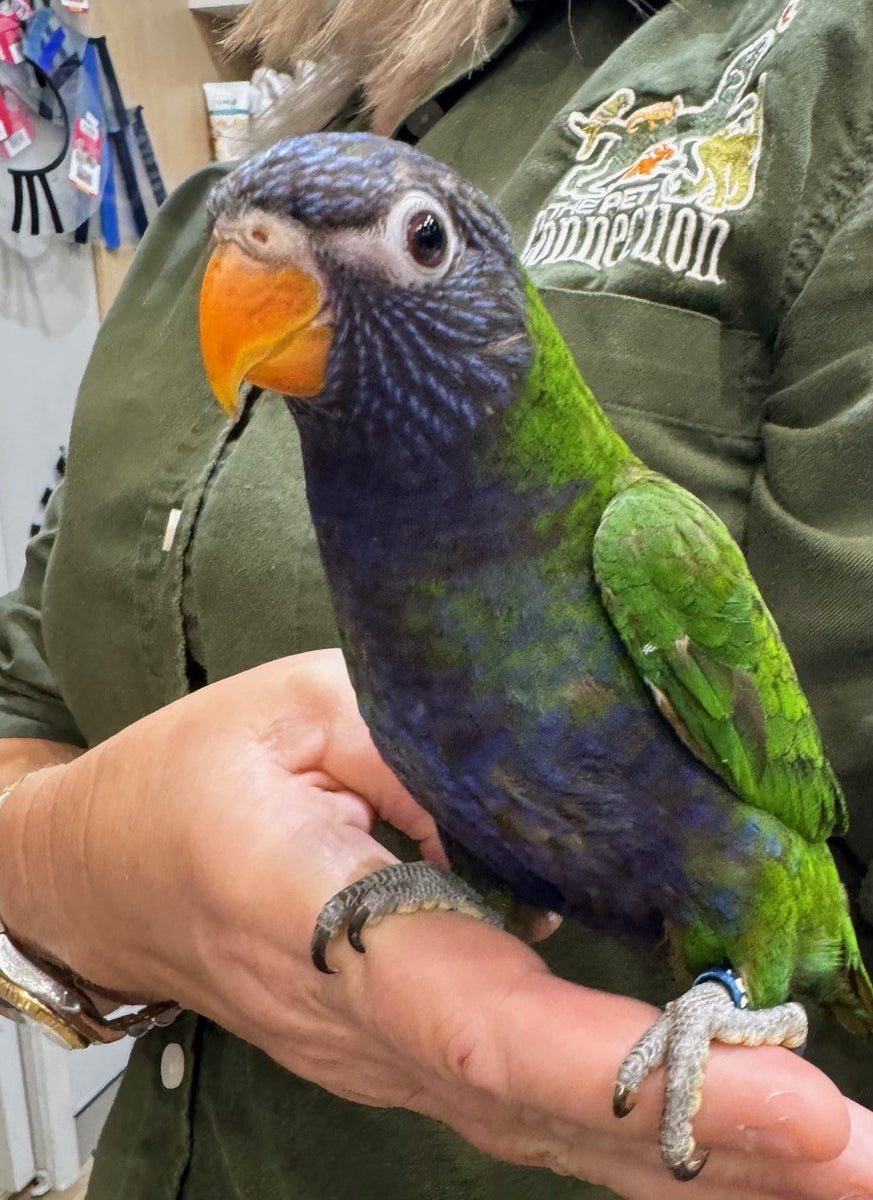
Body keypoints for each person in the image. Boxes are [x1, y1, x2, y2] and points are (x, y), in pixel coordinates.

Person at [0, 1, 871, 1197]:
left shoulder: (637, 538)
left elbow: (799, 825)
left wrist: (735, 994)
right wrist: (81, 857)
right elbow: (26, 694)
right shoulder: (209, 258)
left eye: (417, 244)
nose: (262, 265)